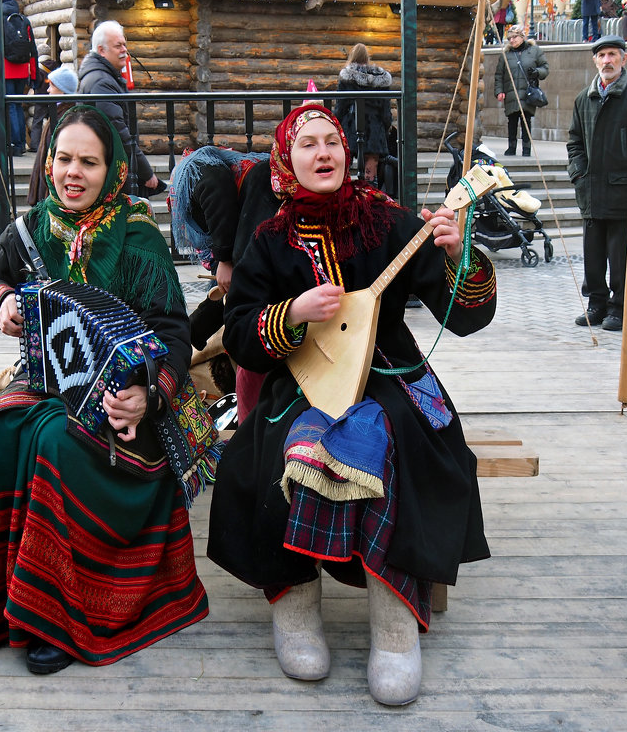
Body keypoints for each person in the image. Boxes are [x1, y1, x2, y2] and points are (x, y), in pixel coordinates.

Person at [207, 104, 497, 706]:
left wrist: (457, 256)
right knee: (287, 451)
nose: (323, 153)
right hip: (305, 379)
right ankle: (297, 611)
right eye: (308, 144)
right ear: (287, 161)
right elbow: (239, 337)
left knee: (394, 446)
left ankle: (394, 630)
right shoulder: (268, 239)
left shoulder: (389, 221)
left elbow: (463, 317)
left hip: (392, 371)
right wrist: (291, 316)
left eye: (332, 141)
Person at [0, 104, 210, 675]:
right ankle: (11, 599)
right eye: (63, 159)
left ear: (112, 169)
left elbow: (174, 332)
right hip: (47, 378)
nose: (74, 173)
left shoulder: (137, 234)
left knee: (54, 441)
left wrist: (149, 395)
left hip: (131, 401)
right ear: (48, 163)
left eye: (88, 163)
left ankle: (60, 617)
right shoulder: (31, 230)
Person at [566, 35, 627, 332]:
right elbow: (574, 142)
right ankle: (596, 304)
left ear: (622, 58)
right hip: (592, 190)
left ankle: (619, 308)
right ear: (595, 61)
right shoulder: (584, 98)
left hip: (624, 191)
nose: (607, 60)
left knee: (620, 256)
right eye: (602, 55)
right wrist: (578, 173)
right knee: (592, 255)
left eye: (612, 55)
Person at [78, 20, 160, 196]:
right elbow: (119, 132)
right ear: (102, 50)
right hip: (109, 169)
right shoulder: (102, 82)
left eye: (125, 44)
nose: (124, 50)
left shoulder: (104, 77)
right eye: (118, 46)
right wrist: (145, 171)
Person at [335, 43, 394, 183]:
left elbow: (341, 105)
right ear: (367, 57)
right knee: (370, 170)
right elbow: (386, 108)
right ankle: (369, 196)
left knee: (344, 165)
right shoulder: (381, 78)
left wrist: (335, 123)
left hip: (351, 125)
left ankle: (344, 193)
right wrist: (387, 125)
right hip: (375, 127)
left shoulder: (346, 77)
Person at [25, 64, 76, 206]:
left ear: (62, 89)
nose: (48, 90)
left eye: (52, 86)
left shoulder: (65, 116)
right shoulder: (57, 112)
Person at [494, 24, 549, 157]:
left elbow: (545, 68)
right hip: (511, 92)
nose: (512, 40)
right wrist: (499, 91)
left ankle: (526, 148)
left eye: (514, 37)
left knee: (526, 121)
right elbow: (499, 75)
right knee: (512, 121)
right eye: (510, 38)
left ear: (522, 37)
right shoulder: (505, 55)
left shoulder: (534, 51)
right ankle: (511, 147)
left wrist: (537, 72)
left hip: (527, 92)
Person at [0, 0, 36, 156]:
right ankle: (21, 142)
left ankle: (15, 144)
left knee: (11, 107)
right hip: (22, 69)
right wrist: (33, 75)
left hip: (6, 68)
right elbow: (33, 48)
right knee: (18, 106)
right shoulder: (24, 20)